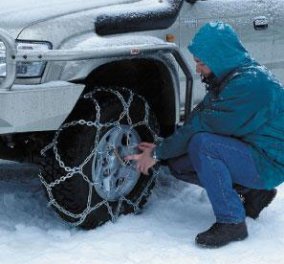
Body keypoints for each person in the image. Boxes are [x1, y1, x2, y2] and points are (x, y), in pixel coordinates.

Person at [125, 21, 284, 248]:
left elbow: (201, 126)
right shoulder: (230, 77)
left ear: (219, 58)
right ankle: (254, 192)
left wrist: (158, 153)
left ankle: (232, 222)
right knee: (179, 163)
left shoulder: (249, 85)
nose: (197, 69)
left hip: (270, 162)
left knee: (204, 145)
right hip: (251, 149)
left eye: (201, 63)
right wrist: (163, 150)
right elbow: (198, 118)